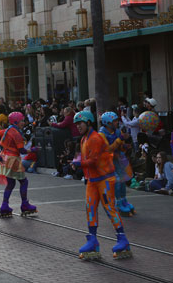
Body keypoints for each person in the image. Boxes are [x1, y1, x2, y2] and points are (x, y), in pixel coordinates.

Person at [73, 111, 131, 260]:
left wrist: (78, 164)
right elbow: (86, 158)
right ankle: (92, 240)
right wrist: (77, 162)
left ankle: (122, 239)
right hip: (92, 180)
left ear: (89, 123)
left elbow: (92, 160)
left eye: (80, 123)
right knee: (90, 208)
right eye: (77, 124)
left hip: (104, 179)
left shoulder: (96, 138)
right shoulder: (84, 139)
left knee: (109, 207)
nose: (78, 126)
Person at [0, 111, 37, 217]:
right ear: (16, 121)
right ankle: (25, 204)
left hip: (5, 157)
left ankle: (4, 206)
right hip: (13, 159)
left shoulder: (8, 130)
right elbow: (22, 150)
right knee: (24, 182)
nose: (23, 122)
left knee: (10, 183)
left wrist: (1, 146)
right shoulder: (16, 133)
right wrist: (33, 150)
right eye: (21, 121)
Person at [99, 112, 135, 216]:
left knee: (122, 181)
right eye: (114, 121)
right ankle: (118, 203)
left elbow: (120, 147)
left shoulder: (117, 132)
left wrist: (125, 145)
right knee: (117, 182)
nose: (116, 123)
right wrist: (120, 140)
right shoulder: (102, 134)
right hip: (108, 162)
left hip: (118, 160)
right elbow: (108, 149)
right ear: (107, 122)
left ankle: (124, 201)